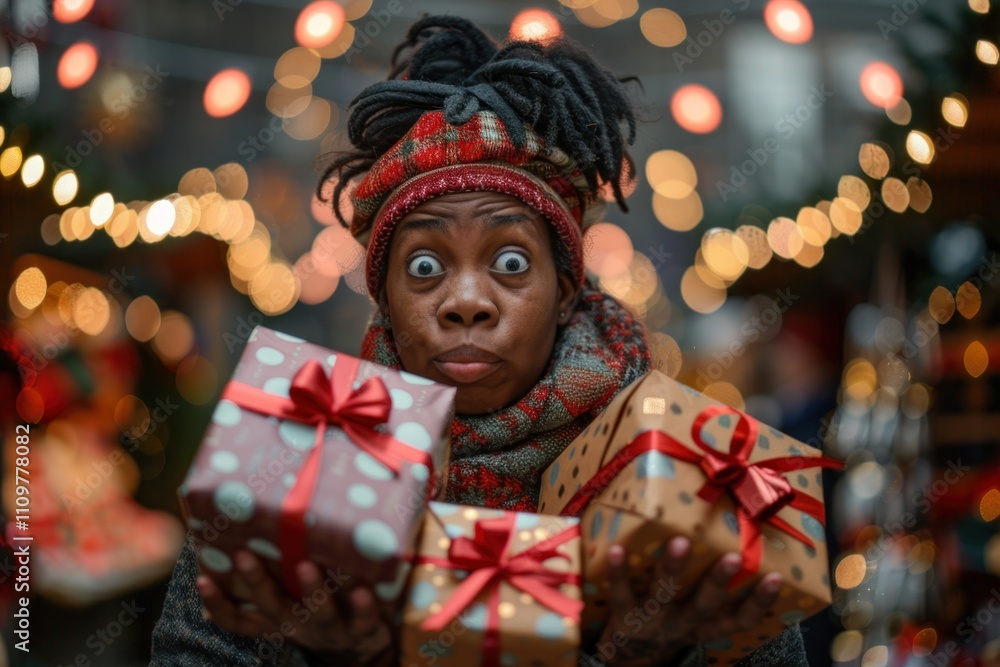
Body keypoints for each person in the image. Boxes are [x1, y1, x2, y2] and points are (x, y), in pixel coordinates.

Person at [149, 16, 810, 667]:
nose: (466, 301)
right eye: (426, 267)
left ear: (565, 293)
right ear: (384, 296)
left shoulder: (686, 481)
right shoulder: (290, 474)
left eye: (512, 263)